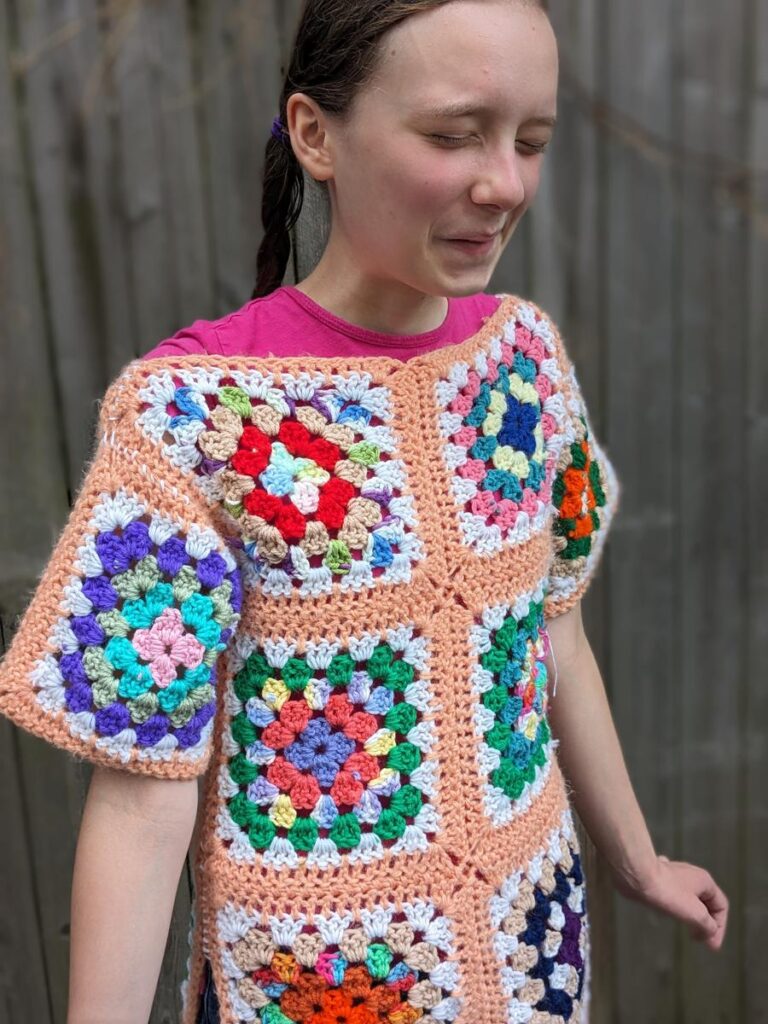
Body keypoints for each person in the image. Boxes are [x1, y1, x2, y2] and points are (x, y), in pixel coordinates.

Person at [0, 1, 729, 1023]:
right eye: (452, 134)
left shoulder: (521, 365)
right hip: (308, 989)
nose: (504, 183)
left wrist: (639, 857)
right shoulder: (195, 415)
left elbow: (551, 628)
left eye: (531, 140)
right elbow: (142, 785)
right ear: (314, 134)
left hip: (531, 954)